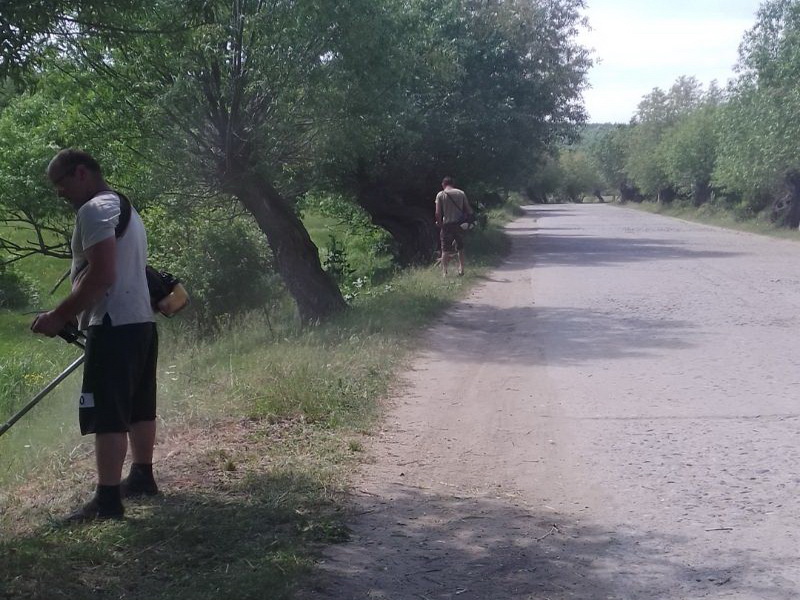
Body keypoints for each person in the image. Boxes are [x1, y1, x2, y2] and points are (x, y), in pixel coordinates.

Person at [31, 148, 159, 522]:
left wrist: (59, 316)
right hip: (140, 322)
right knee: (138, 406)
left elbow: (102, 275)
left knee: (108, 414)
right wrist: (73, 314)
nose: (59, 193)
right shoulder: (124, 207)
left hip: (114, 324)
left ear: (82, 172)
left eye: (61, 183)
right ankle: (142, 477)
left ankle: (107, 501)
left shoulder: (94, 210)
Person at [434, 176, 473, 277]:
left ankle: (445, 272)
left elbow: (437, 213)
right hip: (459, 225)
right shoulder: (461, 193)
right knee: (460, 247)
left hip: (447, 224)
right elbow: (468, 209)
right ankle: (461, 269)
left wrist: (440, 223)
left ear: (443, 184)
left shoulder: (440, 194)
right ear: (452, 184)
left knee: (445, 249)